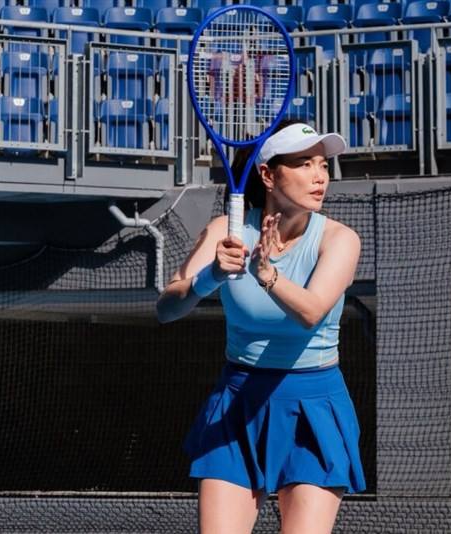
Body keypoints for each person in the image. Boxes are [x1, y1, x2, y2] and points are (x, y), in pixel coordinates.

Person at [156, 120, 366, 534]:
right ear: (268, 175)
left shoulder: (340, 239)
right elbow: (166, 309)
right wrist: (211, 276)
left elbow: (311, 312)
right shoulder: (224, 231)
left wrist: (267, 275)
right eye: (304, 164)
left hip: (313, 408)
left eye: (323, 165)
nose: (319, 176)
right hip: (237, 402)